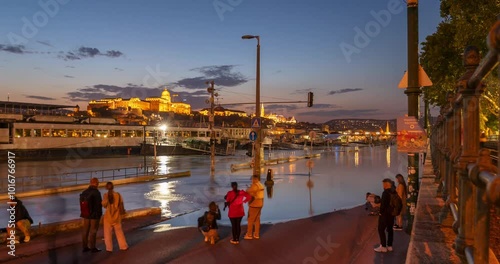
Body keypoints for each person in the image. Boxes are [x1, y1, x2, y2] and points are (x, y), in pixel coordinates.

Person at [102, 182, 128, 252]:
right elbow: (121, 204)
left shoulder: (105, 195)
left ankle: (109, 248)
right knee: (119, 232)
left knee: (107, 233)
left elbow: (104, 205)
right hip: (117, 216)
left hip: (108, 217)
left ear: (106, 188)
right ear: (113, 187)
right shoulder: (118, 195)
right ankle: (123, 246)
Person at [81, 177, 103, 253]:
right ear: (96, 183)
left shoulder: (84, 192)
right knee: (93, 231)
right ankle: (93, 247)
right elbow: (98, 205)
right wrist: (100, 215)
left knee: (85, 231)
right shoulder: (96, 192)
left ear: (90, 183)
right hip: (94, 215)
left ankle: (85, 247)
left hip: (86, 214)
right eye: (98, 183)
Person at [374, 178, 396, 253]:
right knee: (390, 230)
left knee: (381, 229)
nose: (383, 186)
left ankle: (383, 246)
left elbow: (383, 205)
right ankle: (390, 246)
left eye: (383, 184)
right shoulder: (394, 192)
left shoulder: (385, 193)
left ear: (386, 184)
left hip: (385, 215)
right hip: (392, 214)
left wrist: (380, 212)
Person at [244, 175, 265, 240]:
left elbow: (249, 191)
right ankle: (256, 234)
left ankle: (249, 234)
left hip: (254, 205)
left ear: (255, 179)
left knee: (250, 219)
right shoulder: (261, 185)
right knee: (257, 219)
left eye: (252, 179)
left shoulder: (255, 185)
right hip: (260, 204)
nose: (252, 181)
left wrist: (247, 189)